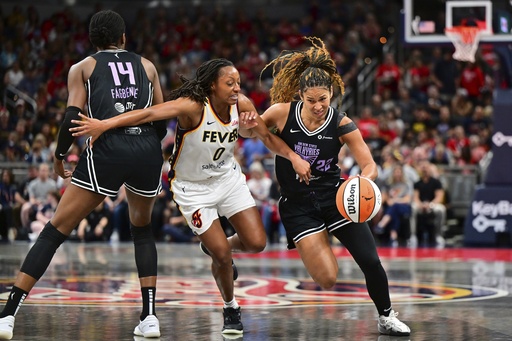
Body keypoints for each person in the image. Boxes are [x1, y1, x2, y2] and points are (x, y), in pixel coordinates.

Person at [69, 58, 311, 336]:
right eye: (229, 83)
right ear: (212, 85)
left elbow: (266, 137)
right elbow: (148, 114)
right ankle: (231, 307)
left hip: (227, 180)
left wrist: (292, 157)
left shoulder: (242, 105)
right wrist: (105, 124)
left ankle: (217, 246)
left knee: (256, 243)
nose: (236, 89)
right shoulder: (193, 106)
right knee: (222, 256)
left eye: (238, 83)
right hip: (192, 188)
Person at [0, 10, 166, 340]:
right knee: (142, 231)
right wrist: (142, 144)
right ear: (123, 38)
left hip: (108, 148)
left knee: (55, 230)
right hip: (147, 149)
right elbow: (160, 121)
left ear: (92, 41)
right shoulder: (147, 66)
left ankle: (7, 315)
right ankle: (149, 317)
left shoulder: (83, 67)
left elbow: (72, 117)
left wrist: (61, 155)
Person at [246, 36, 411, 336]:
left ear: (331, 93)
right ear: (300, 96)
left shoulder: (341, 123)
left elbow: (370, 164)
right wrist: (247, 125)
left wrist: (363, 181)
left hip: (335, 198)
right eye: (312, 101)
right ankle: (314, 238)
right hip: (297, 205)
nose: (319, 106)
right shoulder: (282, 113)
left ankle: (386, 316)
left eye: (324, 99)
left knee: (371, 261)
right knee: (328, 279)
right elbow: (254, 131)